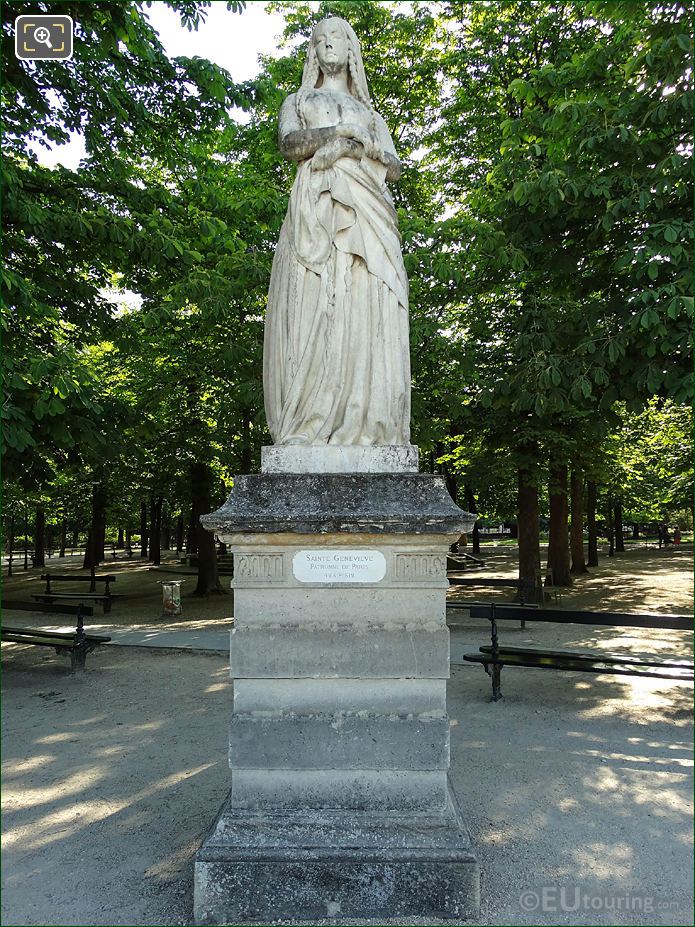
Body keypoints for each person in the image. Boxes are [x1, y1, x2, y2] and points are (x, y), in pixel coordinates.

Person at [263, 17, 411, 447]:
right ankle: (312, 418)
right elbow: (291, 144)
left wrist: (363, 145)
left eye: (337, 38)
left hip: (369, 217)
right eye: (320, 40)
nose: (328, 45)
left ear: (351, 51)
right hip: (316, 215)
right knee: (319, 309)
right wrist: (342, 133)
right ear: (313, 52)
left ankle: (366, 422)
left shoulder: (372, 114)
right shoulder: (299, 100)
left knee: (366, 308)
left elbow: (394, 167)